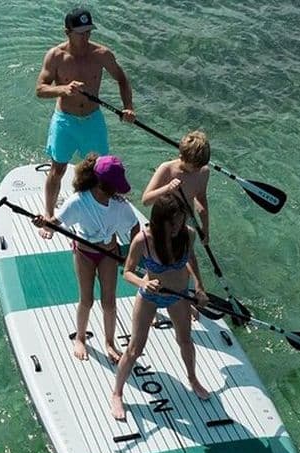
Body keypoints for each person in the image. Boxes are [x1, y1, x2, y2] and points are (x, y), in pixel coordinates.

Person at [35, 7, 136, 238]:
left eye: (88, 31)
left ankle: (110, 215)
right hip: (65, 122)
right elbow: (40, 89)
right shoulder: (55, 56)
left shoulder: (102, 54)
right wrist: (63, 89)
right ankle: (49, 217)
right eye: (80, 32)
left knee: (103, 173)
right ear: (67, 32)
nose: (85, 37)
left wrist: (128, 107)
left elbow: (122, 79)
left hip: (93, 121)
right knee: (57, 169)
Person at [110, 195, 210, 421]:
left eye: (180, 221)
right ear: (160, 221)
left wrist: (200, 287)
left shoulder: (188, 235)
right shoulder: (142, 240)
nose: (177, 227)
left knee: (185, 340)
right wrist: (143, 282)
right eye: (172, 223)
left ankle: (192, 378)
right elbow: (127, 271)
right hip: (150, 297)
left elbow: (190, 259)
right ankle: (117, 393)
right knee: (135, 348)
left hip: (178, 297)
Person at [32, 154, 139, 364]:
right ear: (102, 184)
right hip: (84, 254)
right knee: (86, 300)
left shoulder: (119, 204)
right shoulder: (78, 202)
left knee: (109, 302)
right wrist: (42, 222)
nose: (118, 192)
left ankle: (109, 342)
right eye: (115, 187)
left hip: (110, 252)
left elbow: (135, 226)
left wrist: (132, 255)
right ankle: (80, 338)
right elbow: (54, 223)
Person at [141, 130, 211, 244]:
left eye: (201, 166)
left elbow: (202, 198)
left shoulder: (204, 171)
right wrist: (167, 188)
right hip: (164, 221)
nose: (198, 170)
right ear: (181, 157)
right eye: (194, 167)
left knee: (186, 256)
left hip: (184, 221)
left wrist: (205, 228)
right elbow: (145, 201)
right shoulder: (166, 169)